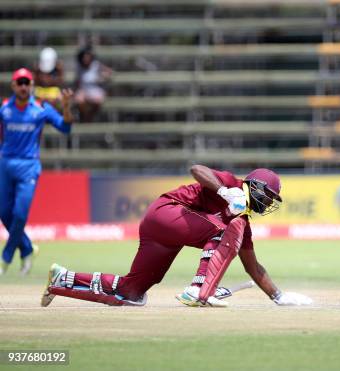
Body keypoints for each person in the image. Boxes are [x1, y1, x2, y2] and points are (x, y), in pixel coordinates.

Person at [41, 166, 312, 307]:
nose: (268, 203)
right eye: (268, 196)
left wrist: (278, 296)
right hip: (167, 212)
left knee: (132, 293)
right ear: (255, 186)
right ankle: (197, 289)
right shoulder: (230, 183)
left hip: (162, 231)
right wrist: (224, 192)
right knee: (223, 229)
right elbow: (196, 169)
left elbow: (253, 267)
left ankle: (63, 278)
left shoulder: (242, 222)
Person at [0, 68, 74, 275]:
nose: (23, 87)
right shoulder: (4, 108)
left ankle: (5, 258)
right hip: (5, 164)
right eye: (19, 83)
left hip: (28, 166)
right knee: (4, 214)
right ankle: (27, 248)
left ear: (31, 85)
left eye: (27, 83)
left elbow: (65, 128)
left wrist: (66, 108)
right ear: (14, 86)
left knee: (20, 213)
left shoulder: (41, 109)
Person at [74, 46, 112, 122]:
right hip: (84, 89)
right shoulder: (79, 67)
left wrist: (102, 78)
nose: (86, 59)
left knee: (97, 101)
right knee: (79, 100)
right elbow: (77, 82)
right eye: (84, 57)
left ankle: (89, 118)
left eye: (87, 56)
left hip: (94, 89)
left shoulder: (96, 65)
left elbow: (109, 72)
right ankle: (85, 118)